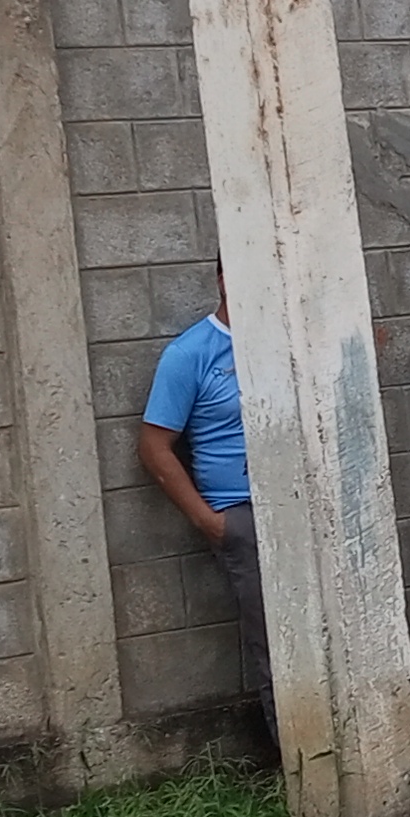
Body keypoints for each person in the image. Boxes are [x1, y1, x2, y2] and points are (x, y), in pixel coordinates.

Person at [135, 272, 270, 735]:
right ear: (223, 279)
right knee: (273, 640)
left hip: (297, 509)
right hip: (241, 517)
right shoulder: (190, 353)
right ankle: (297, 757)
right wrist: (210, 522)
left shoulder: (283, 343)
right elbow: (154, 447)